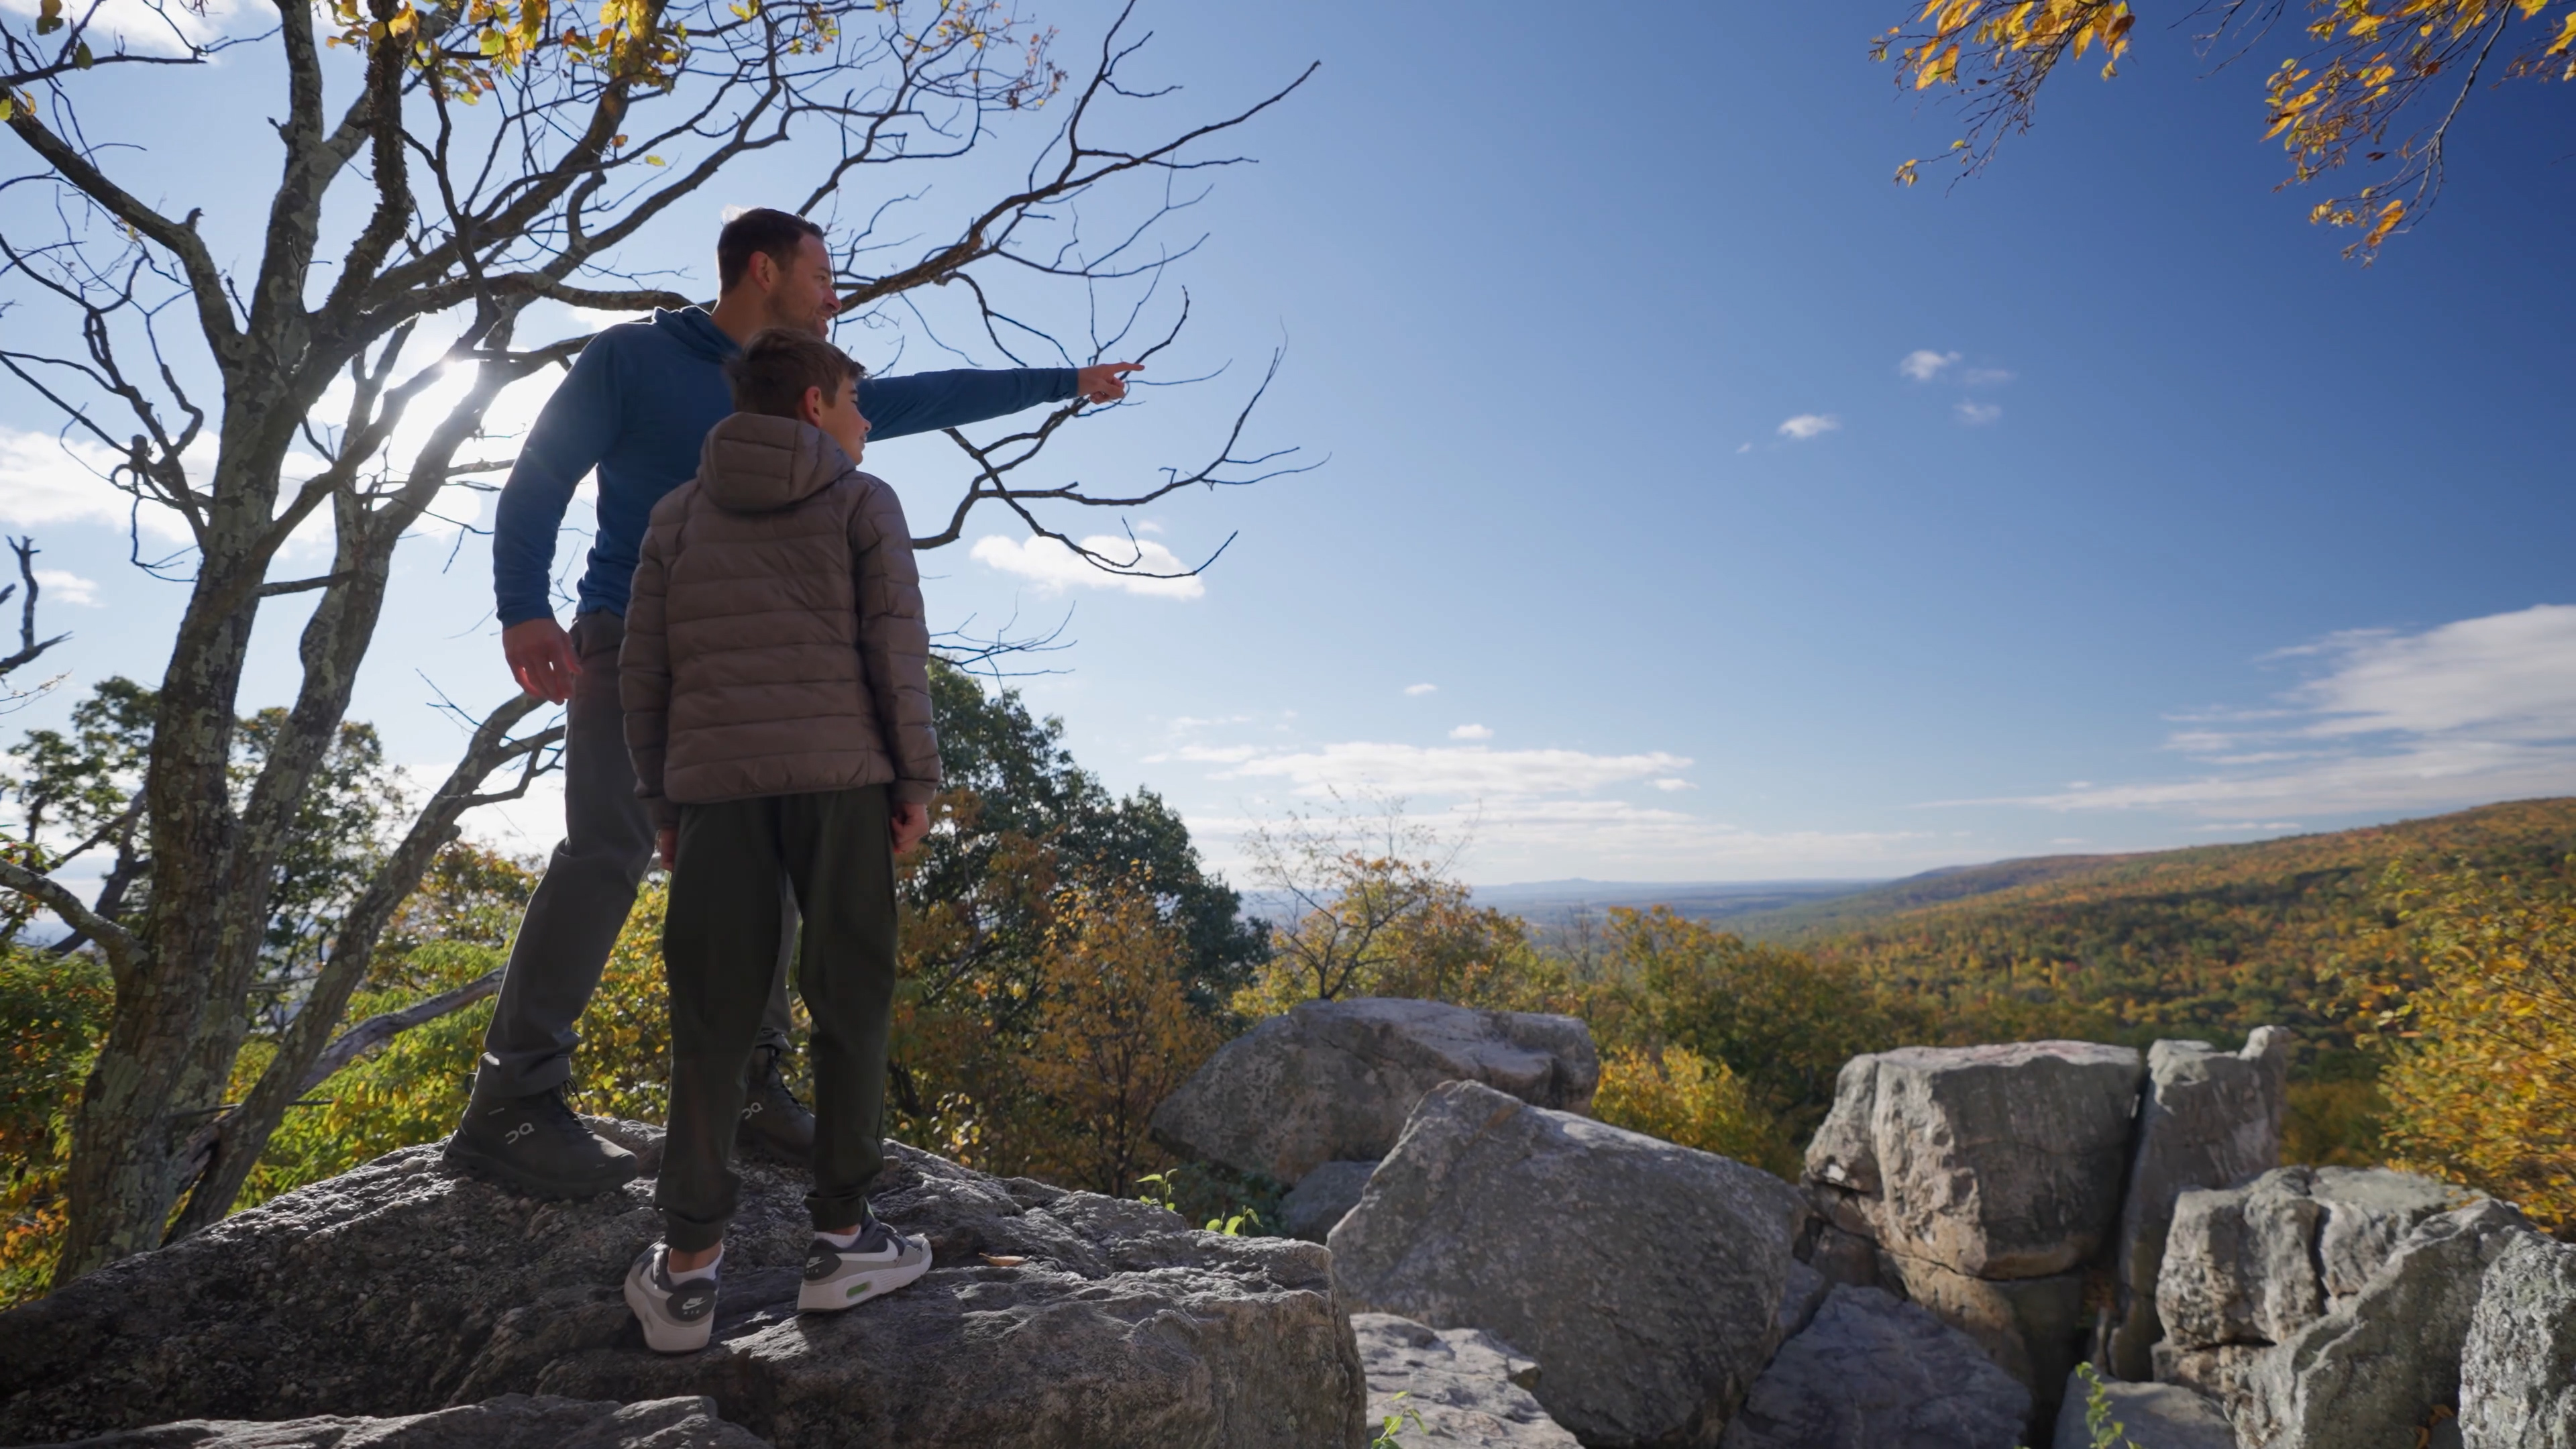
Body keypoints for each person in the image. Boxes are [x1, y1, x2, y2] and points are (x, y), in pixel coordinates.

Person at [453, 207, 1138, 1197]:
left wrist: (1065, 383)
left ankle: (752, 1089)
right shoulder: (631, 360)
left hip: (746, 667)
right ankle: (510, 1102)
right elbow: (541, 475)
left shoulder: (799, 393)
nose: (836, 292)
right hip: (628, 635)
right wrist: (524, 609)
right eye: (824, 273)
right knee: (606, 848)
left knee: (763, 864)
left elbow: (919, 399)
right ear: (763, 268)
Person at [616, 326, 933, 1350]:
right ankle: (842, 1241)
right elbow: (896, 648)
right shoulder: (858, 500)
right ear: (811, 405)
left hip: (712, 791)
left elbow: (644, 673)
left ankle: (687, 1272)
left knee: (712, 1016)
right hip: (842, 782)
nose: (865, 419)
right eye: (854, 399)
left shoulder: (676, 515)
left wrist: (663, 803)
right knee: (851, 998)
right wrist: (914, 778)